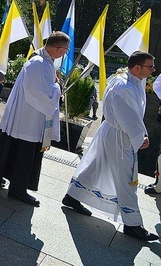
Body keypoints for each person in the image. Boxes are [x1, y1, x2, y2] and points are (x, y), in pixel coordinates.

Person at [62, 51, 159, 242]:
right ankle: (132, 224)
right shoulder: (124, 87)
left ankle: (73, 195)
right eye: (150, 67)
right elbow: (128, 117)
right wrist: (140, 138)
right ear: (137, 67)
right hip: (120, 136)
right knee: (128, 179)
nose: (153, 70)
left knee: (97, 165)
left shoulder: (129, 81)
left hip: (113, 132)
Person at [0, 31, 70, 206]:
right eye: (65, 50)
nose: (65, 53)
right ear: (58, 49)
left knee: (14, 148)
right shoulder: (38, 64)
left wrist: (54, 87)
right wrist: (57, 89)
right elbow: (38, 94)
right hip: (29, 120)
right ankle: (18, 191)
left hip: (29, 118)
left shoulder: (44, 62)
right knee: (24, 154)